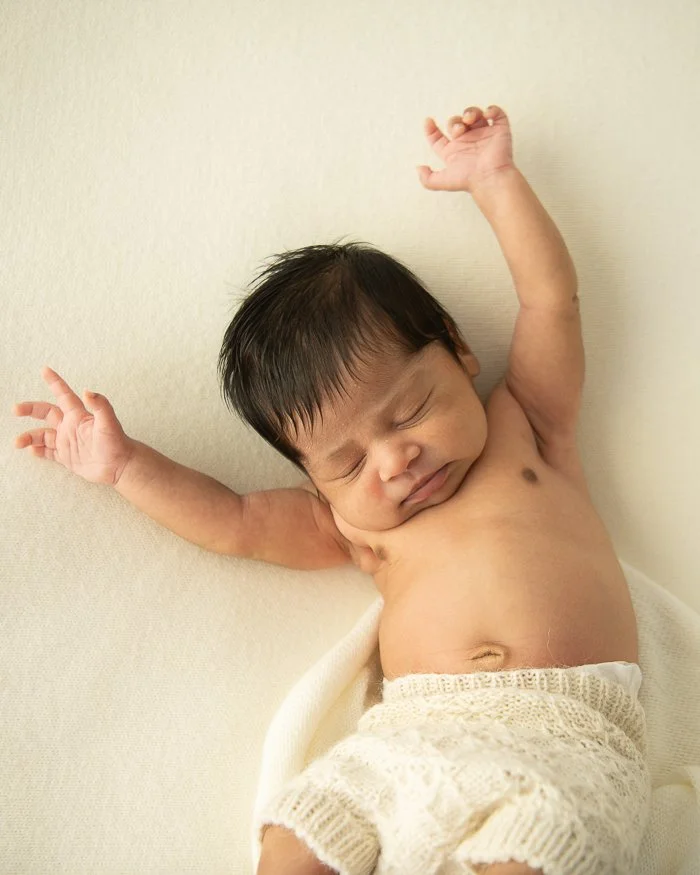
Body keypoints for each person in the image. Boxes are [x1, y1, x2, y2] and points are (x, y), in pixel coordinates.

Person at [14, 105, 650, 874]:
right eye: (346, 463)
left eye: (410, 409)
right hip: (408, 736)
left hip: (567, 733)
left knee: (546, 844)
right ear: (315, 478)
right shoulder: (353, 526)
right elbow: (236, 519)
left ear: (455, 346)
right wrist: (123, 467)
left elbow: (551, 301)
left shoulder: (529, 427)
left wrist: (495, 182)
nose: (394, 460)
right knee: (301, 828)